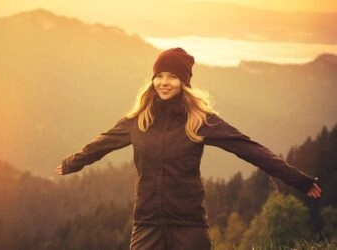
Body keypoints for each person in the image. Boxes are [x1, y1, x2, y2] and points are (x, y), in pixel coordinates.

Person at [56, 47, 322, 249]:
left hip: (189, 224)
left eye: (172, 76)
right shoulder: (138, 120)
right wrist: (72, 163)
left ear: (184, 82)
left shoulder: (200, 121)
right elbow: (102, 143)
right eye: (159, 76)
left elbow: (249, 149)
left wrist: (297, 180)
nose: (164, 82)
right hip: (148, 222)